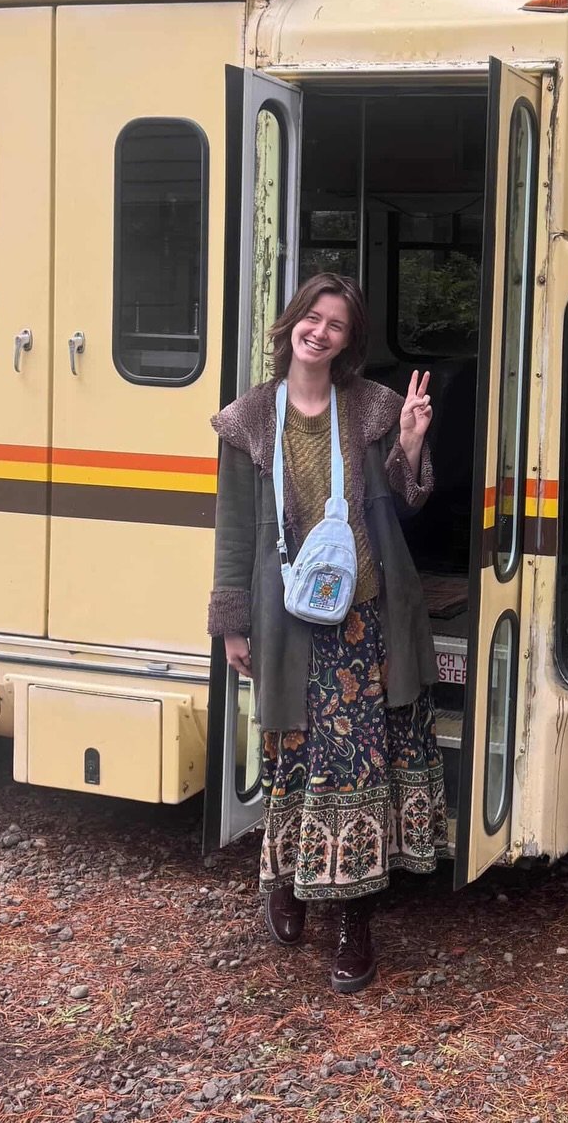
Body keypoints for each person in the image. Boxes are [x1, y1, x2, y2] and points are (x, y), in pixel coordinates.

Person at [206, 272, 449, 993]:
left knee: (359, 771)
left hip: (365, 618)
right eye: (312, 318)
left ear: (348, 340)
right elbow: (233, 533)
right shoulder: (249, 419)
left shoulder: (371, 408)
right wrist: (232, 626)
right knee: (295, 759)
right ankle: (286, 881)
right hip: (287, 623)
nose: (320, 332)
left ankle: (354, 923)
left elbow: (408, 500)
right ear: (291, 325)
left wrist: (412, 442)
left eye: (336, 324)